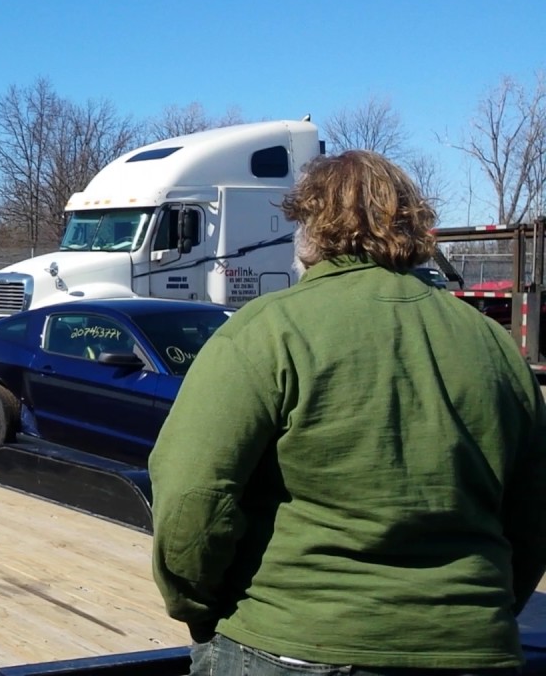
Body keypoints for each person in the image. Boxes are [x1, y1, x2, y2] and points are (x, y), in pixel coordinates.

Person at [148, 150, 546, 676]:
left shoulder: (266, 331)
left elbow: (192, 496)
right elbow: (532, 513)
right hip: (475, 648)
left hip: (294, 643)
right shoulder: (494, 345)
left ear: (309, 228)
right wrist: (476, 613)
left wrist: (198, 607)